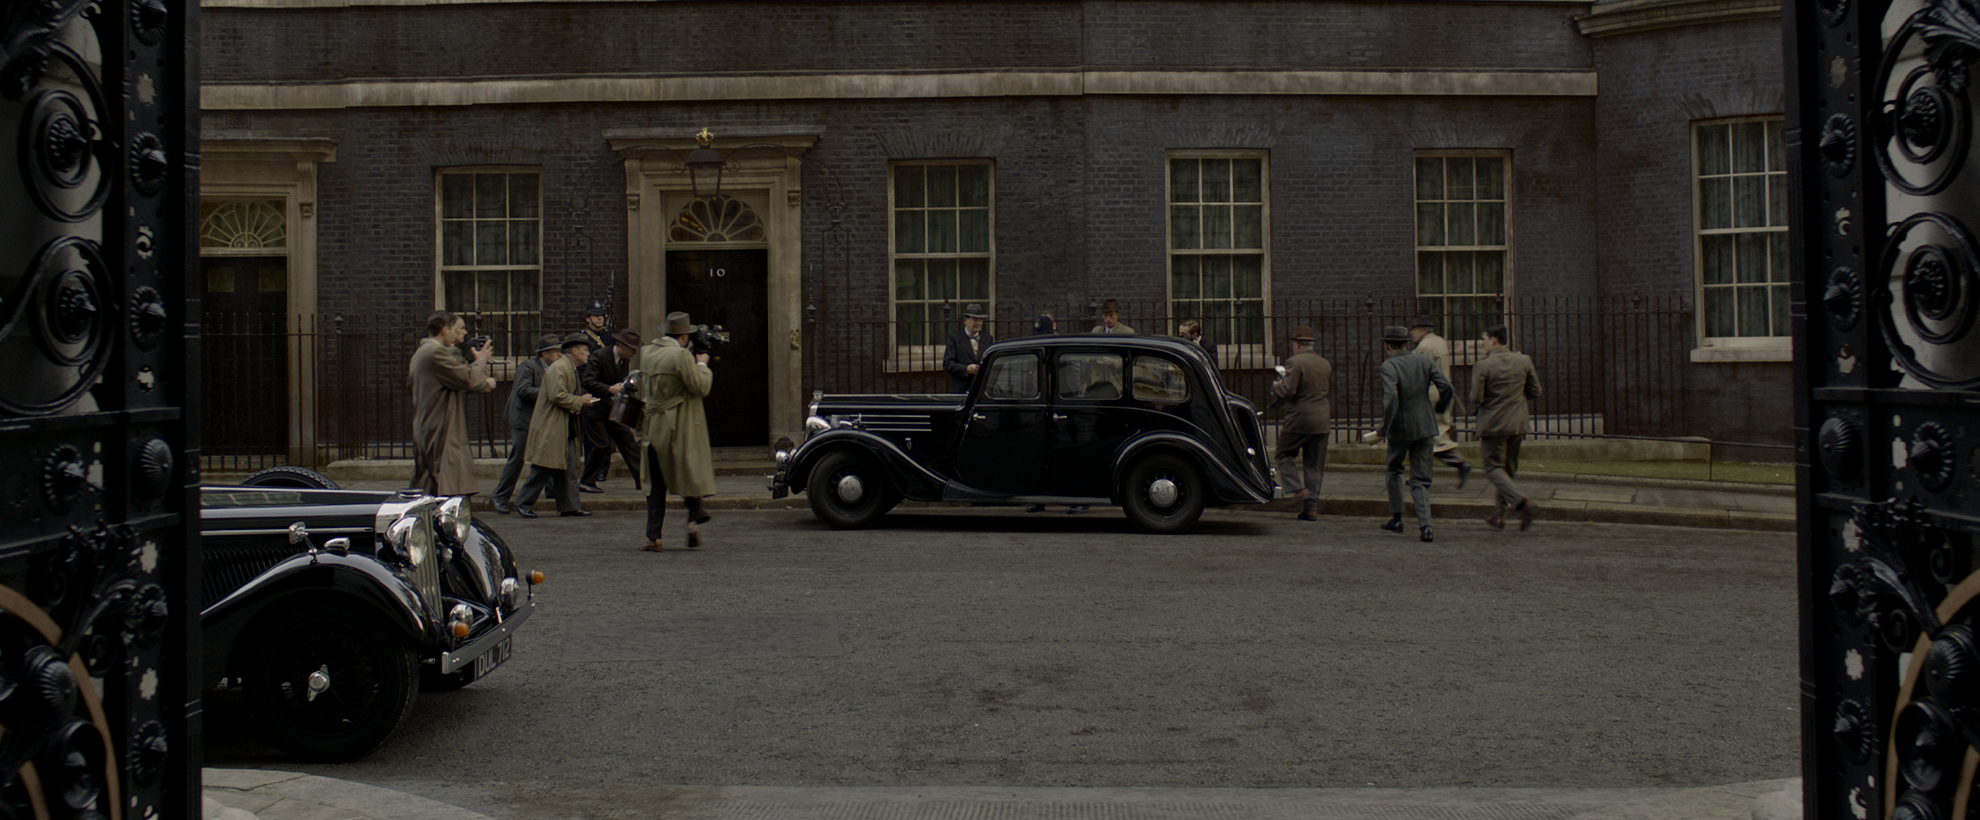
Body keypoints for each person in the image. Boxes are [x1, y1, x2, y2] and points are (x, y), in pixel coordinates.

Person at [637, 311, 716, 551]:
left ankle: (654, 537)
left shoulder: (646, 353)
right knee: (688, 471)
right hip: (678, 423)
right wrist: (701, 364)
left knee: (655, 482)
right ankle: (693, 523)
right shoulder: (682, 356)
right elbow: (700, 387)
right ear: (683, 336)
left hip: (653, 424)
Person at [1378, 324, 1454, 542]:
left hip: (1400, 428)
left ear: (1387, 346)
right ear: (1406, 344)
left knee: (1394, 469)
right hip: (1425, 426)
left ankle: (1397, 518)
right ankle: (1426, 526)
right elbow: (1447, 388)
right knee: (1420, 479)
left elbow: (1391, 398)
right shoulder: (1424, 361)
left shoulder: (1388, 366)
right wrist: (1440, 408)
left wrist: (1384, 427)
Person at [513, 333, 600, 518]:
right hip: (552, 426)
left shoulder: (568, 368)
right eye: (585, 350)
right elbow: (557, 395)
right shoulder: (560, 368)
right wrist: (580, 400)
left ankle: (569, 506)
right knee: (544, 467)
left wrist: (581, 401)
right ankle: (523, 503)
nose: (588, 354)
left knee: (566, 467)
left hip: (562, 426)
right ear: (574, 351)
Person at [410, 310, 495, 497]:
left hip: (430, 425)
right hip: (440, 428)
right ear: (444, 329)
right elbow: (466, 379)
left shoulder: (422, 352)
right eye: (459, 328)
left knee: (430, 488)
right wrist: (481, 364)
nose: (465, 333)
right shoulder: (435, 352)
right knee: (446, 492)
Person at [1472, 323, 1542, 531]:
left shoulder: (1483, 365)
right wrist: (1516, 402)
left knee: (1493, 468)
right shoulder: (1524, 360)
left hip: (1493, 425)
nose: (1482, 344)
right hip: (1517, 423)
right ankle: (1499, 516)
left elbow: (1476, 397)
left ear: (1493, 340)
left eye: (1484, 339)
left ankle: (1523, 503)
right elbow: (1535, 391)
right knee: (1508, 470)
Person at [491, 334, 561, 514]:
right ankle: (499, 496)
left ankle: (552, 489)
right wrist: (549, 392)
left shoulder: (553, 368)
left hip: (539, 419)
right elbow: (523, 390)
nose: (559, 355)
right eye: (555, 351)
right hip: (522, 418)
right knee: (518, 457)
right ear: (544, 354)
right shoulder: (528, 367)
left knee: (546, 452)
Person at [1270, 325, 1332, 521]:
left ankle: (1297, 489)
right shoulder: (1325, 363)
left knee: (1282, 453)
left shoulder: (1294, 362)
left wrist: (1277, 386)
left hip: (1300, 417)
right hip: (1322, 418)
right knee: (1314, 464)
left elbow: (1288, 391)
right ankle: (1311, 508)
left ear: (1297, 345)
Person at [1408, 315, 1473, 488]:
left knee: (1429, 436)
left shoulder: (1425, 346)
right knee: (1430, 435)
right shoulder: (1439, 342)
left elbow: (1419, 370)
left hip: (1430, 393)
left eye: (1414, 330)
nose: (1412, 333)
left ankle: (1458, 464)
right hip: (1443, 390)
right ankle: (1420, 475)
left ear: (1423, 330)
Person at [579, 328, 644, 492]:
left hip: (612, 407)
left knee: (627, 440)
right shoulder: (600, 356)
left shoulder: (623, 359)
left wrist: (628, 388)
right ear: (621, 346)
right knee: (601, 444)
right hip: (594, 407)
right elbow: (587, 381)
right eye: (632, 349)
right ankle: (587, 481)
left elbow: (621, 381)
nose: (634, 353)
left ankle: (643, 479)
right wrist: (609, 389)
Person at [574, 300, 613, 492]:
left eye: (601, 315)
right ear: (588, 318)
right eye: (596, 315)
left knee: (606, 433)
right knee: (592, 437)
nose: (599, 318)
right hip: (589, 389)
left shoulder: (608, 337)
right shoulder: (582, 339)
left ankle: (602, 470)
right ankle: (592, 469)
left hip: (605, 388)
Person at [942, 303, 994, 393]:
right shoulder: (954, 338)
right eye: (975, 320)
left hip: (981, 390)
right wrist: (966, 369)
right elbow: (947, 364)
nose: (978, 323)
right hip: (960, 390)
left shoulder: (988, 339)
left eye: (980, 320)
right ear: (966, 320)